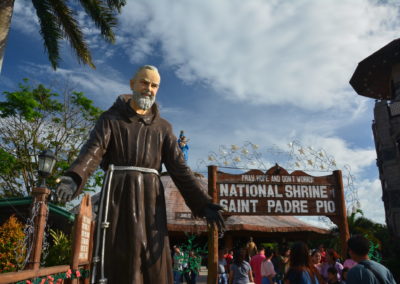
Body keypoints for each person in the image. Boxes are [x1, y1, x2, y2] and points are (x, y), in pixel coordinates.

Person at [56, 65, 225, 283]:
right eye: (144, 82)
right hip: (119, 196)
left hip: (150, 201)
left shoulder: (163, 128)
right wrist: (74, 177)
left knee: (152, 262)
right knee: (120, 253)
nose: (149, 89)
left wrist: (204, 204)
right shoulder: (111, 119)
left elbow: (180, 169)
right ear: (132, 84)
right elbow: (92, 151)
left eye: (154, 85)